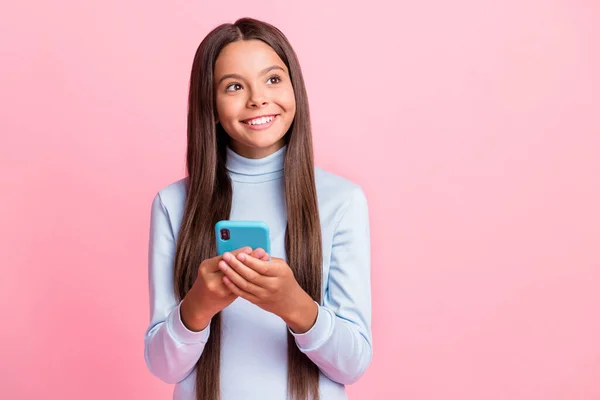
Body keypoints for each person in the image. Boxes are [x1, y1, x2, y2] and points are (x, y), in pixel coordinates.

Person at [144, 17, 372, 400]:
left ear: (294, 88)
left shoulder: (342, 200)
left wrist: (296, 307)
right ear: (211, 106)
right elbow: (164, 367)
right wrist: (197, 308)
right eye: (234, 86)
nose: (257, 99)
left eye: (272, 79)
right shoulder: (173, 204)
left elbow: (354, 363)